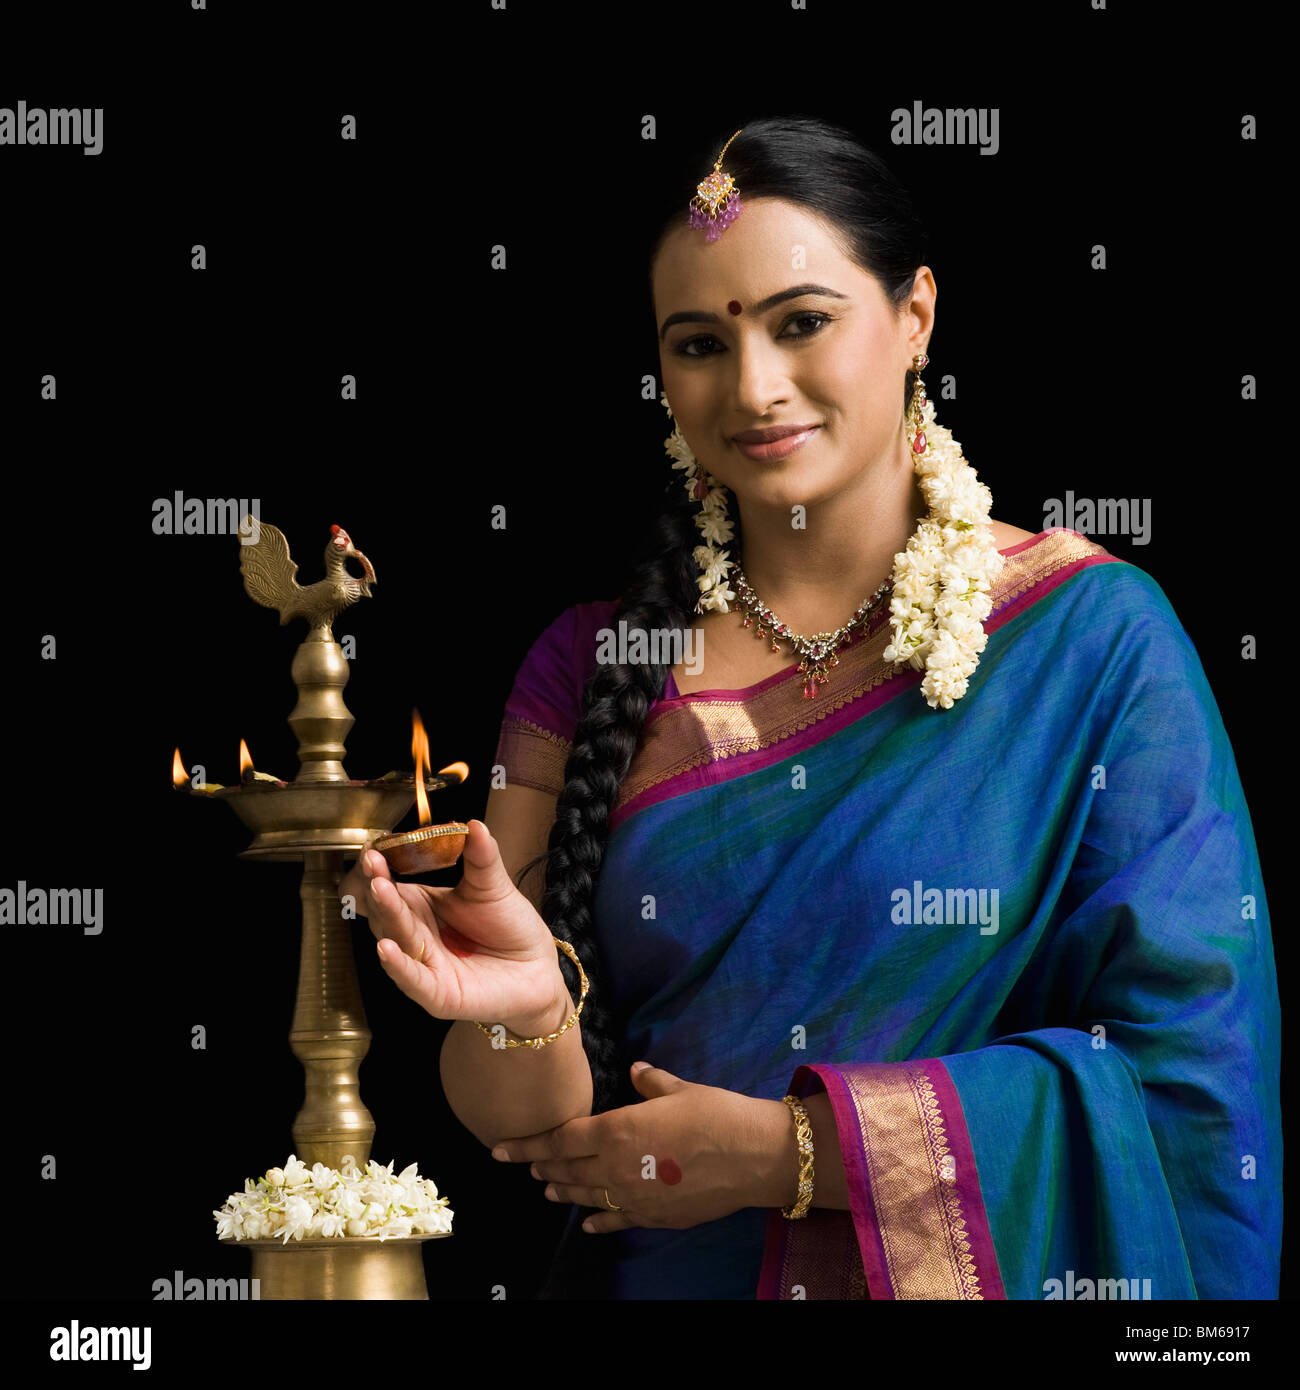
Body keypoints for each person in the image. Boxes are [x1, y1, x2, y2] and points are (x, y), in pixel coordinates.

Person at [339, 116, 1281, 1300]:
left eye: (802, 322)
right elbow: (527, 1126)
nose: (754, 388)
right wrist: (523, 1007)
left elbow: (1186, 1084)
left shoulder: (1091, 641)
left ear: (916, 317)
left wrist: (789, 1155)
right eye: (698, 344)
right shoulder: (593, 662)